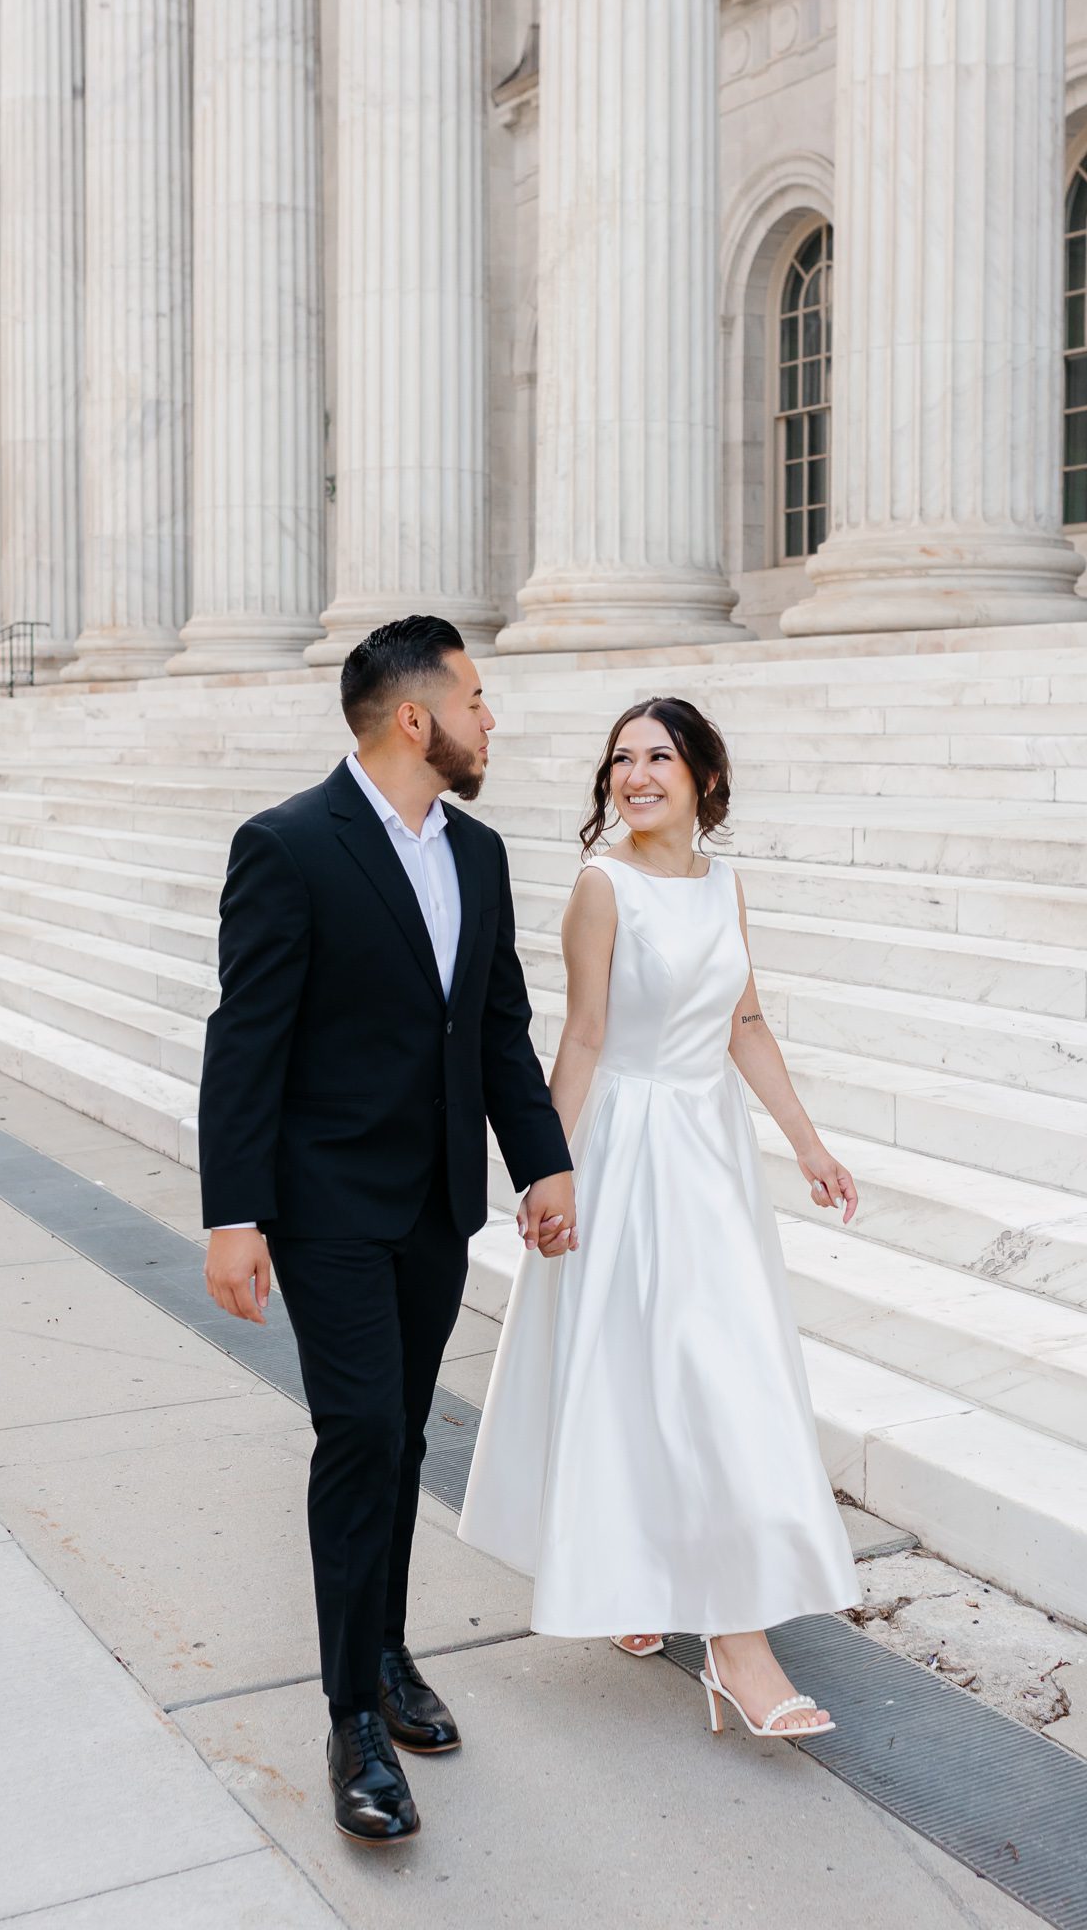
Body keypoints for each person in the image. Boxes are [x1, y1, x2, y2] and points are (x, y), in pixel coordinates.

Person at [197, 616, 575, 1845]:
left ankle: (388, 1643)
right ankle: (352, 1711)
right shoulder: (290, 846)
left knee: (401, 1437)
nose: (490, 716)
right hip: (324, 1208)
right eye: (476, 695)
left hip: (432, 1204)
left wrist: (543, 1163)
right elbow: (244, 1039)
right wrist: (232, 1214)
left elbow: (499, 1028)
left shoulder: (481, 850)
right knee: (358, 1431)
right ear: (416, 717)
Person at [458, 696, 861, 1741]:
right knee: (647, 1363)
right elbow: (584, 1038)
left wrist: (808, 1144)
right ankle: (737, 1643)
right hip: (624, 1148)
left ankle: (672, 1588)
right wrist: (548, 1167)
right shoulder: (601, 888)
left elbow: (746, 1020)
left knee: (715, 1368)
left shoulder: (724, 883)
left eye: (659, 756)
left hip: (711, 1152)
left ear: (702, 778)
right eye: (620, 758)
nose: (635, 774)